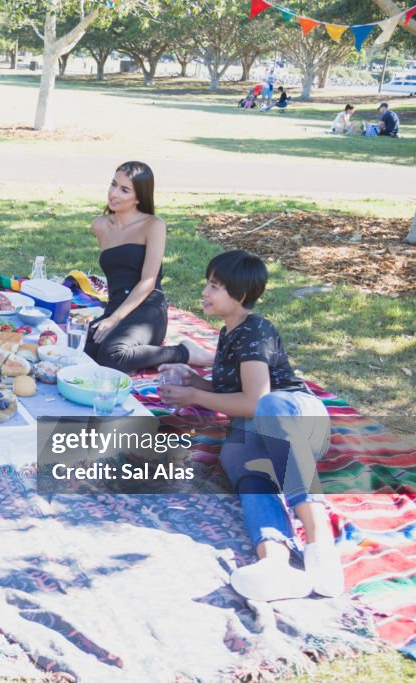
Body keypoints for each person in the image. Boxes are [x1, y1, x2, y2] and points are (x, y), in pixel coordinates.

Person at [158, 250, 342, 603]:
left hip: (295, 421)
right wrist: (192, 382)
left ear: (240, 296)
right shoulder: (228, 334)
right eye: (207, 284)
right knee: (237, 458)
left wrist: (195, 394)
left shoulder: (256, 330)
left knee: (269, 407)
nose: (205, 293)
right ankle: (275, 563)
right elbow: (234, 393)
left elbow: (257, 401)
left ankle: (320, 544)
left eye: (214, 286)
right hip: (258, 430)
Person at [84, 161, 213, 374]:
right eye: (113, 184)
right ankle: (134, 355)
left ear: (139, 197)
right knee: (78, 349)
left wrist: (115, 319)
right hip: (116, 305)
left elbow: (148, 280)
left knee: (112, 356)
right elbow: (118, 270)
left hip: (148, 307)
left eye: (124, 190)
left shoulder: (153, 225)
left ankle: (184, 352)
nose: (114, 193)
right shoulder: (100, 225)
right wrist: (112, 316)